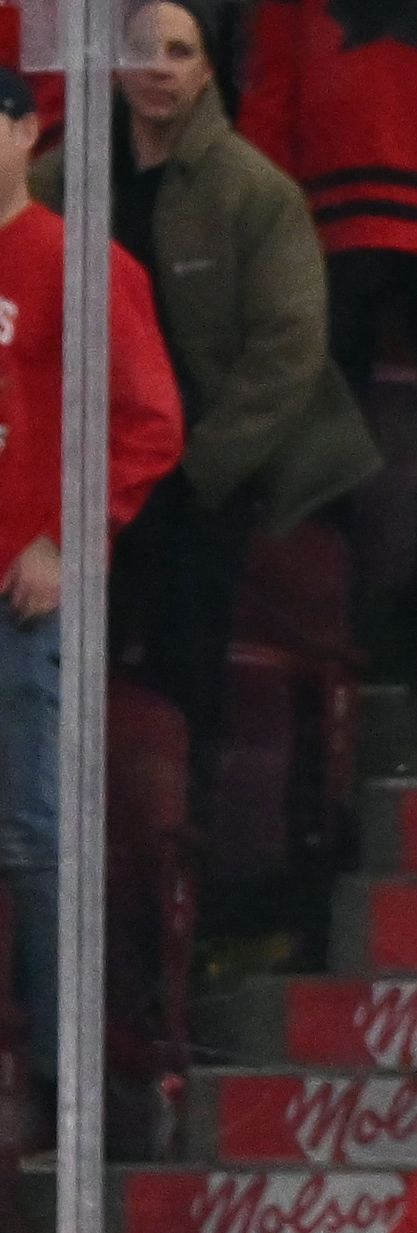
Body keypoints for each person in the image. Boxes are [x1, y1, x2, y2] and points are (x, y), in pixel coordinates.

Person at [0, 64, 183, 1095]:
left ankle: (67, 1076)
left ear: (24, 133)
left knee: (26, 833)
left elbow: (145, 419)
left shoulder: (78, 261)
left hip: (17, 594)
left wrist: (70, 537)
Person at [87, 4, 380, 754]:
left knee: (189, 654)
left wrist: (201, 469)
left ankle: (189, 821)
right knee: (74, 665)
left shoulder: (258, 191)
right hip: (88, 468)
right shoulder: (63, 181)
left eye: (179, 52)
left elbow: (289, 350)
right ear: (112, 64)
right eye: (141, 49)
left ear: (209, 70)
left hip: (198, 467)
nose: (158, 66)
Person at [242, 0, 417, 405]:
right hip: (336, 213)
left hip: (332, 214)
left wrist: (268, 213)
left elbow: (271, 91)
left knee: (333, 409)